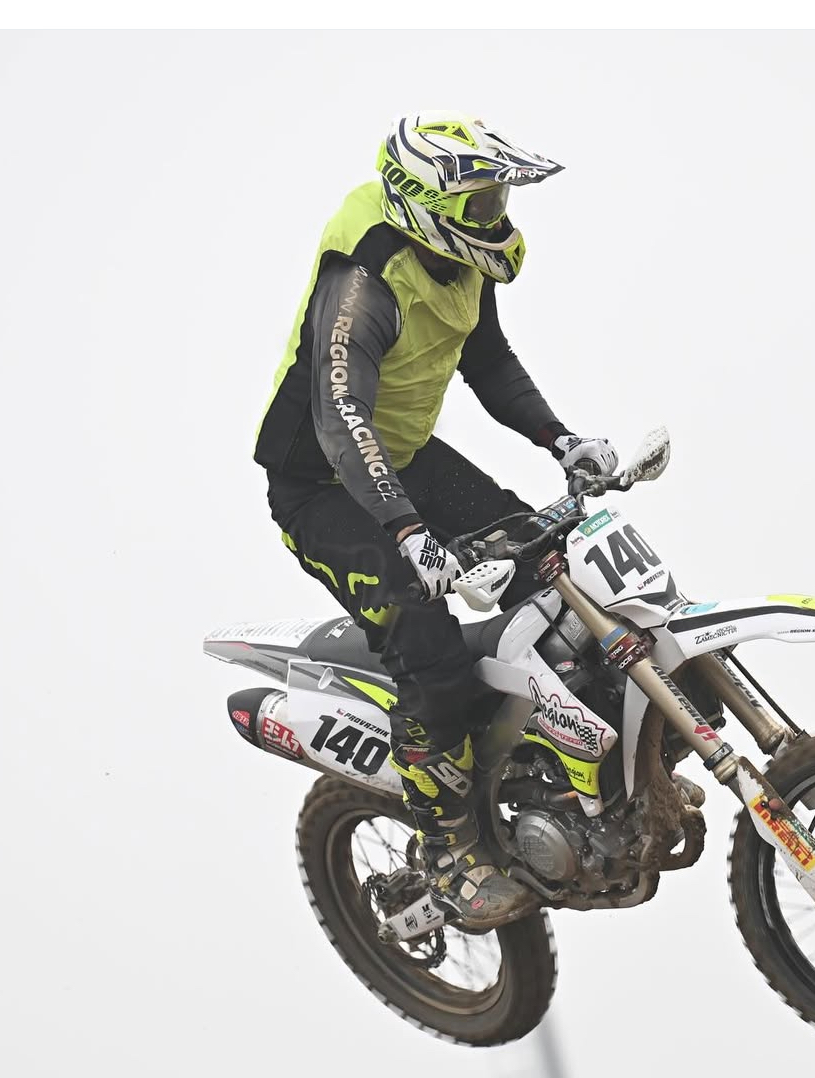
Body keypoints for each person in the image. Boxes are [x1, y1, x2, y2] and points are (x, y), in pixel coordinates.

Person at [253, 112, 618, 926]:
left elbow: (488, 361)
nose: (496, 216)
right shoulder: (363, 285)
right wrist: (407, 530)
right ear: (426, 206)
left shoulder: (457, 262)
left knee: (553, 567)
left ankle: (563, 767)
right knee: (427, 646)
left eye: (497, 200)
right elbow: (340, 415)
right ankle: (448, 851)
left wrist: (561, 438)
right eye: (480, 203)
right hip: (322, 484)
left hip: (405, 456)